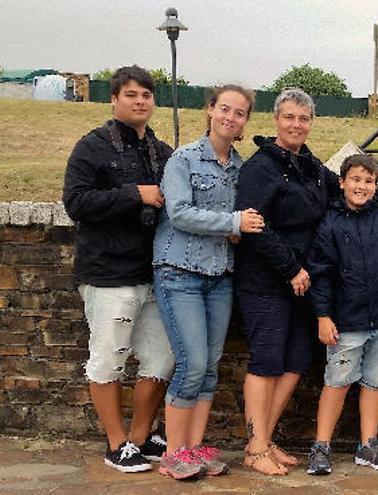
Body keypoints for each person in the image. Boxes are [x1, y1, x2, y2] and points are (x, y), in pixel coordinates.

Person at [234, 88, 378, 475]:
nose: (297, 124)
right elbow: (253, 224)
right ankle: (256, 446)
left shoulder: (307, 164)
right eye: (290, 117)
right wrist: (290, 268)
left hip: (302, 283)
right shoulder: (260, 167)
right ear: (276, 119)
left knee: (295, 360)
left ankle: (264, 440)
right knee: (266, 361)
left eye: (304, 118)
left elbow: (352, 184)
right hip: (267, 280)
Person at [62, 66, 174, 473]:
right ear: (114, 99)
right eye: (131, 94)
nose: (140, 101)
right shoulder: (91, 147)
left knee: (162, 358)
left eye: (146, 94)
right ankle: (116, 442)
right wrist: (134, 194)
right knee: (108, 359)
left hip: (154, 272)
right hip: (108, 272)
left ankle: (141, 437)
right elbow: (76, 202)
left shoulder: (162, 151)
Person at [152, 84, 262, 480]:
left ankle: (194, 449)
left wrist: (235, 231)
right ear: (211, 110)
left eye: (239, 113)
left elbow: (238, 221)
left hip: (219, 275)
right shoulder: (183, 159)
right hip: (179, 272)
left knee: (210, 366)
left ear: (246, 121)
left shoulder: (240, 167)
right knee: (192, 362)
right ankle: (174, 453)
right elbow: (179, 213)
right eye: (224, 109)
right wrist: (233, 223)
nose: (230, 118)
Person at [304, 154, 378, 476]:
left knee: (375, 383)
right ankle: (321, 446)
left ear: (376, 186)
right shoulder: (329, 224)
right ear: (342, 183)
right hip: (345, 324)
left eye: (369, 181)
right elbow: (321, 274)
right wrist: (322, 316)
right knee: (337, 382)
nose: (362, 186)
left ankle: (368, 445)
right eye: (355, 179)